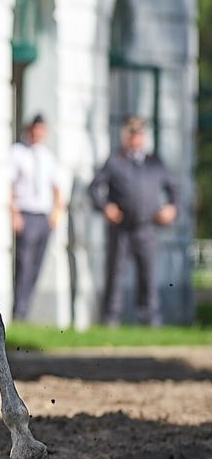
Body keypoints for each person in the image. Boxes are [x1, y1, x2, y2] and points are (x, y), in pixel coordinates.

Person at [88, 117, 178, 327]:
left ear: (143, 136)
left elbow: (175, 190)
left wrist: (172, 208)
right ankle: (110, 320)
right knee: (115, 276)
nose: (135, 137)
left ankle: (150, 320)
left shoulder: (155, 163)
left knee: (148, 277)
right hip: (121, 230)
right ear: (125, 135)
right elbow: (94, 189)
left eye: (139, 133)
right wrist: (106, 206)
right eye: (131, 132)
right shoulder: (115, 162)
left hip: (147, 229)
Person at [9, 114, 65, 321]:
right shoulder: (17, 153)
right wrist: (14, 214)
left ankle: (26, 308)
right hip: (26, 213)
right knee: (25, 263)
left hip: (43, 216)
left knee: (37, 265)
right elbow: (10, 186)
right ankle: (19, 312)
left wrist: (56, 214)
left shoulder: (47, 156)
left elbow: (58, 187)